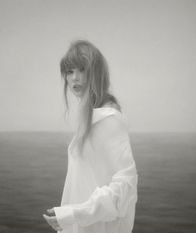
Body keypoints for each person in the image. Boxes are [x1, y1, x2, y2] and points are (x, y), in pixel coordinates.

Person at [43, 40, 138, 233]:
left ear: (96, 73)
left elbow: (125, 187)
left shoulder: (109, 119)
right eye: (69, 71)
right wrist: (69, 218)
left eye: (82, 69)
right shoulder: (91, 117)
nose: (75, 78)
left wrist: (74, 214)